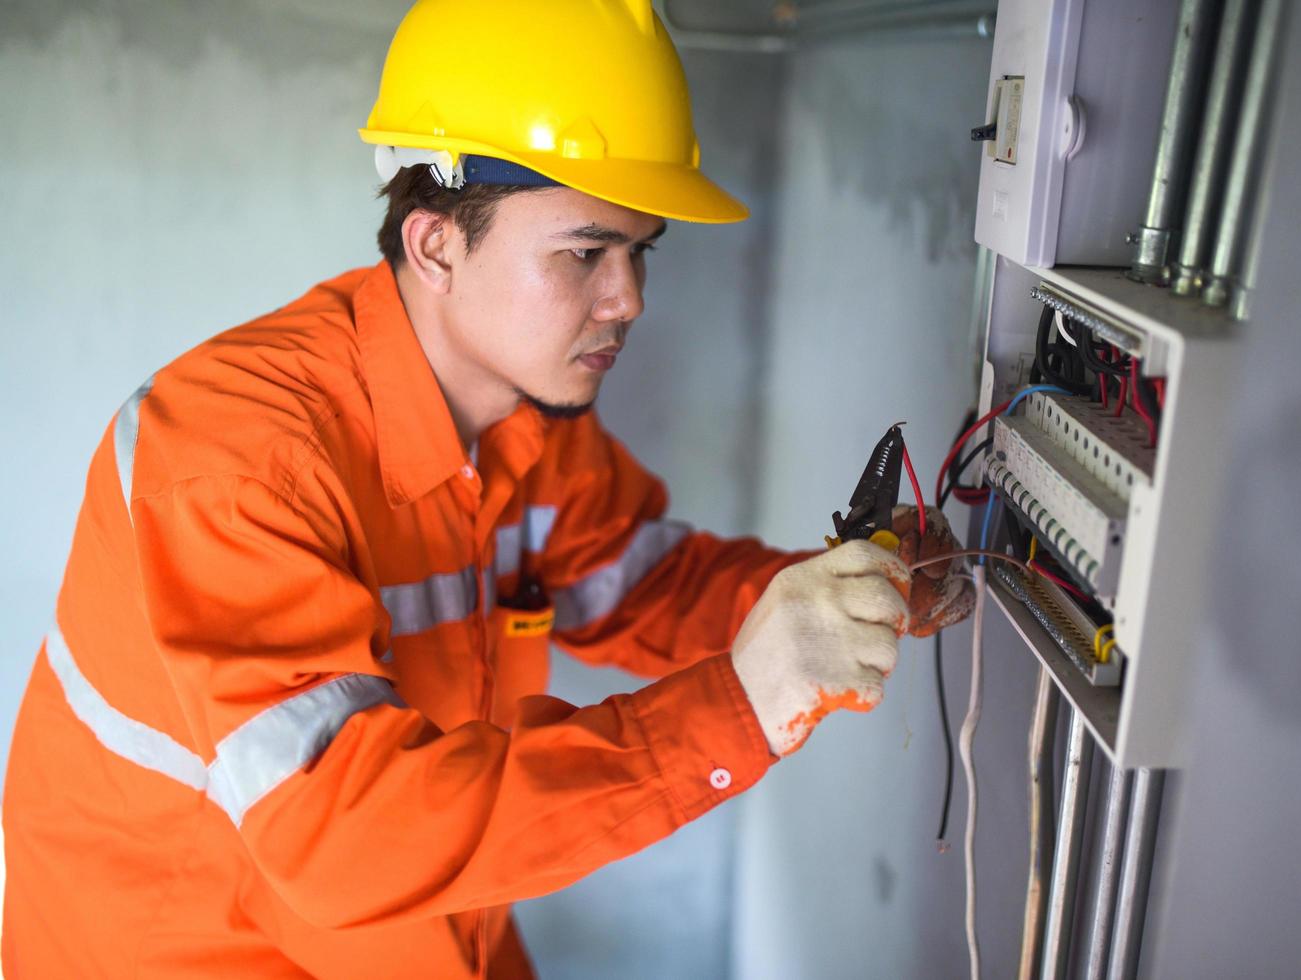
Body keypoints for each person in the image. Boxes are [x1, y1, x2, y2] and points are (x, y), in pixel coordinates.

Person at [2, 1, 974, 975]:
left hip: (426, 925)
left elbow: (642, 586)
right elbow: (341, 837)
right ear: (434, 245)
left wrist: (845, 589)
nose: (628, 298)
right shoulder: (231, 458)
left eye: (641, 251)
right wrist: (744, 704)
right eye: (585, 252)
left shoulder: (527, 417)